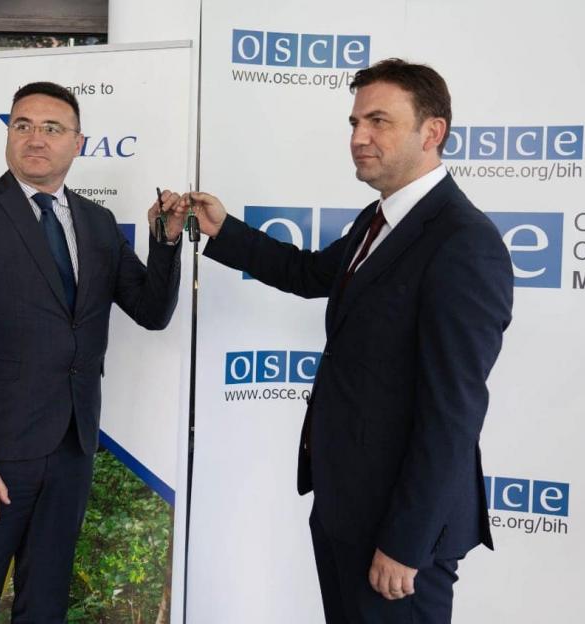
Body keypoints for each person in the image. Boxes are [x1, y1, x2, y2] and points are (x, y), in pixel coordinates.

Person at [189, 59, 514, 623]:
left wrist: (406, 541)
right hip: (345, 505)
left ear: (432, 132)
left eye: (378, 121)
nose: (359, 137)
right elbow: (309, 273)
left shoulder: (464, 242)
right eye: (355, 122)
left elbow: (453, 414)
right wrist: (224, 230)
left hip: (399, 530)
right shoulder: (378, 219)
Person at [0, 81, 186, 622]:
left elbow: (151, 311)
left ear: (78, 143)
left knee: (44, 605)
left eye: (51, 128)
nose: (35, 138)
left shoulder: (97, 223)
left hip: (71, 448)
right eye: (22, 125)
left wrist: (165, 240)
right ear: (9, 136)